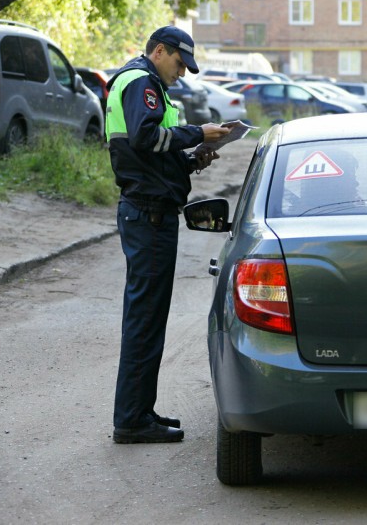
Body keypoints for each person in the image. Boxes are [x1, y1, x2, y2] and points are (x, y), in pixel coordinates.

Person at [105, 26, 233, 444]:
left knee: (148, 318)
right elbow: (145, 136)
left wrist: (194, 159)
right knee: (144, 320)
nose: (181, 73)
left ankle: (139, 411)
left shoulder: (147, 83)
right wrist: (198, 132)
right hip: (148, 216)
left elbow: (154, 153)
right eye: (179, 63)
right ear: (159, 51)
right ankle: (132, 419)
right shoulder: (142, 81)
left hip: (149, 212)